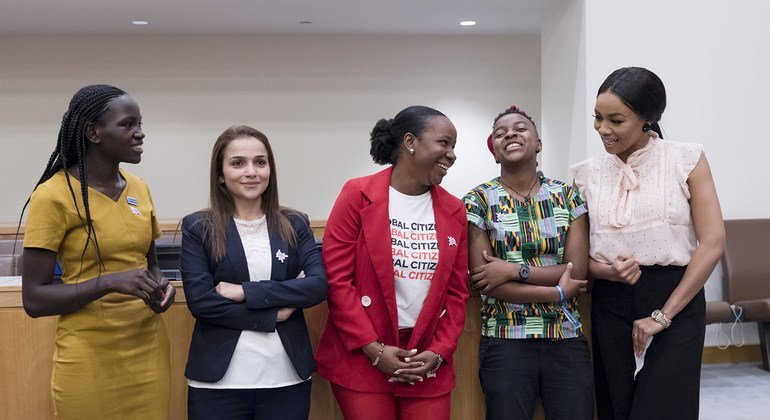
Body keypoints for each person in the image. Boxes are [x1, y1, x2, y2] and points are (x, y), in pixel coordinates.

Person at [571, 67, 725, 420]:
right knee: (616, 407)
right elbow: (578, 259)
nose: (603, 129)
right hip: (610, 299)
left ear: (648, 119)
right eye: (597, 118)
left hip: (677, 297)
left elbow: (713, 242)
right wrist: (606, 270)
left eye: (616, 120)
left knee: (663, 407)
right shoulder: (584, 174)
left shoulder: (686, 158)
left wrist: (663, 316)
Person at [21, 84, 175, 419]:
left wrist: (163, 287)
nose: (140, 134)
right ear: (93, 132)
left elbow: (152, 267)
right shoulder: (53, 196)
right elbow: (34, 299)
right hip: (88, 355)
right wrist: (109, 282)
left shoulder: (139, 188)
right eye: (128, 124)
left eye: (140, 124)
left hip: (147, 348)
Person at [315, 106, 469, 419]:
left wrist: (439, 352)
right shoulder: (357, 194)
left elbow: (456, 293)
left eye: (454, 147)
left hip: (426, 355)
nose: (452, 154)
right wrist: (373, 348)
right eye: (444, 143)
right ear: (410, 141)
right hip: (362, 352)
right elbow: (338, 280)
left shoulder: (454, 210)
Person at [180, 125, 327, 420]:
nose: (251, 171)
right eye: (238, 163)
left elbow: (317, 285)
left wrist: (246, 291)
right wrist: (274, 313)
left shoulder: (295, 223)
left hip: (286, 378)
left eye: (260, 162)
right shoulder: (198, 227)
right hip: (218, 383)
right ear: (220, 174)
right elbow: (201, 302)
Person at [464, 105, 593, 420]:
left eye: (520, 128)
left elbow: (576, 272)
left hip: (565, 334)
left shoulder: (568, 197)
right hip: (505, 338)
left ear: (538, 143)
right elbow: (486, 281)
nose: (509, 133)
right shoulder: (478, 200)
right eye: (500, 132)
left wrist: (511, 270)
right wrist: (556, 291)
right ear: (494, 151)